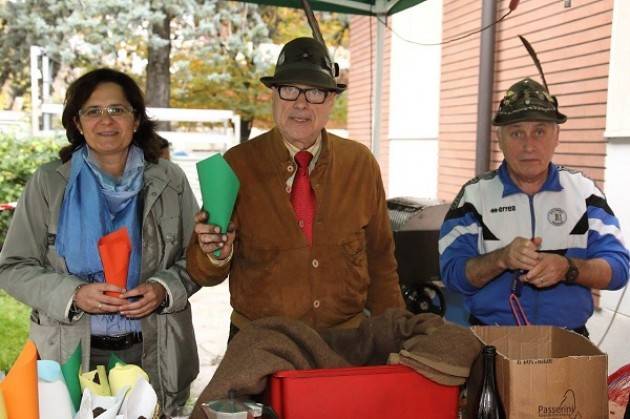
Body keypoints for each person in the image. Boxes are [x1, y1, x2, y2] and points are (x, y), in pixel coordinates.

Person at [0, 68, 200, 414]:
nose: (105, 120)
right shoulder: (49, 183)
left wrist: (162, 289)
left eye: (117, 110)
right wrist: (73, 294)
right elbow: (12, 267)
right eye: (93, 111)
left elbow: (197, 261)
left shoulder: (170, 180)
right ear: (78, 123)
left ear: (136, 119)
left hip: (153, 349)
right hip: (71, 350)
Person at [186, 37, 404, 338]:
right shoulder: (236, 165)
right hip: (260, 345)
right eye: (289, 90)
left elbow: (382, 263)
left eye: (315, 92)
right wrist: (215, 253)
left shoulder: (360, 165)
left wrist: (395, 337)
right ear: (273, 95)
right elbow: (203, 273)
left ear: (331, 101)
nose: (300, 103)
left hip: (344, 343)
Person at [438, 77, 629, 336]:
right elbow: (452, 274)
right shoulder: (474, 196)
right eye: (517, 132)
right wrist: (501, 259)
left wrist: (568, 268)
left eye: (539, 131)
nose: (529, 145)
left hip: (568, 342)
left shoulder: (584, 193)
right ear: (500, 138)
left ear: (556, 136)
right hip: (491, 343)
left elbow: (618, 268)